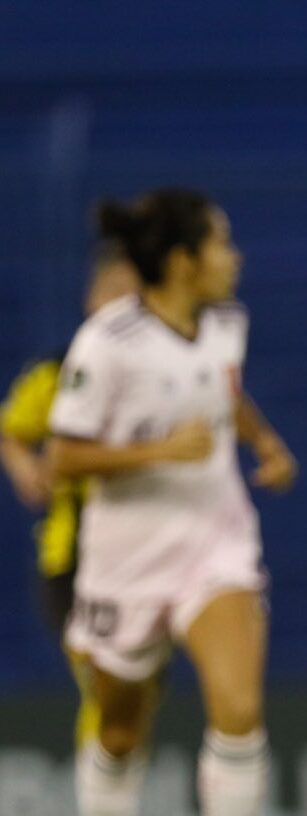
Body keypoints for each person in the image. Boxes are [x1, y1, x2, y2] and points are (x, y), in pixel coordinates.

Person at [47, 189, 299, 816]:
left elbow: (220, 393)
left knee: (240, 708)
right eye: (222, 244)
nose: (235, 257)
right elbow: (65, 458)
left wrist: (261, 439)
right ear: (184, 259)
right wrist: (159, 452)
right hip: (125, 562)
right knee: (119, 732)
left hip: (215, 545)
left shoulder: (226, 325)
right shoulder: (108, 342)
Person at [2, 246, 141, 751]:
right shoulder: (58, 373)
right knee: (105, 683)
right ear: (92, 300)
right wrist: (24, 468)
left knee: (137, 695)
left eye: (137, 300)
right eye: (116, 297)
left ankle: (112, 806)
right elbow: (14, 431)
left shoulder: (161, 376)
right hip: (74, 562)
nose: (126, 311)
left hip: (149, 559)